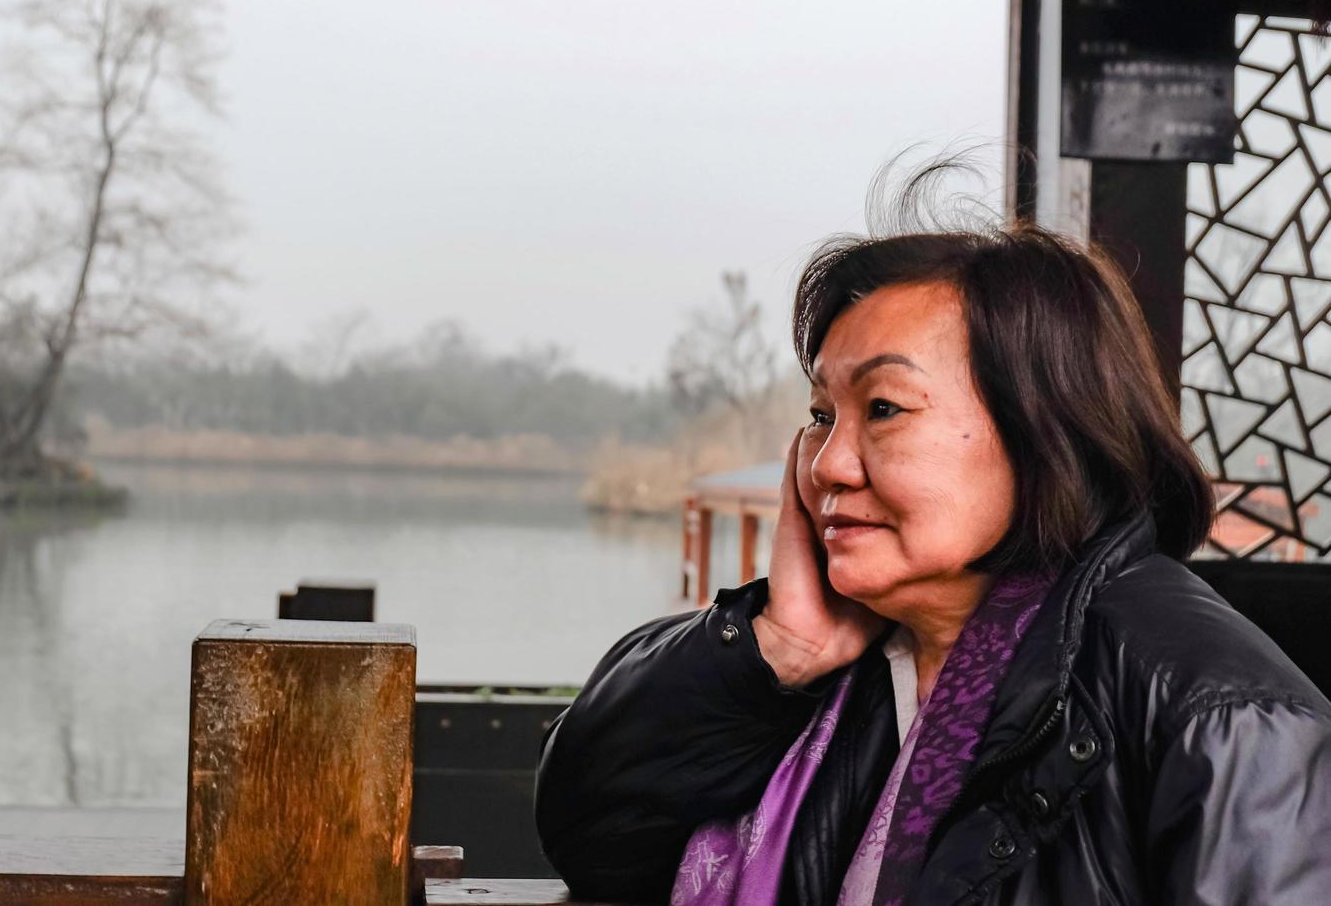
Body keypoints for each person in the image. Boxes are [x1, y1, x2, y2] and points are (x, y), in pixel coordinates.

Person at [534, 207, 1331, 905]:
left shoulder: (1224, 717)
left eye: (882, 409)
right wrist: (779, 648)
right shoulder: (847, 663)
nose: (828, 464)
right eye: (820, 414)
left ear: (1043, 431)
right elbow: (599, 844)